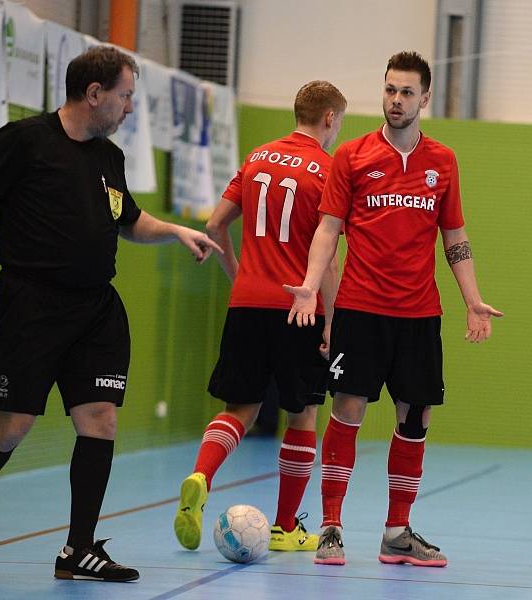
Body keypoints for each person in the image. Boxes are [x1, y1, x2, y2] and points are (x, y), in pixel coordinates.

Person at [0, 46, 221, 583]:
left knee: (100, 420)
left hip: (95, 308)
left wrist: (176, 232)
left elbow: (128, 221)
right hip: (33, 305)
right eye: (126, 96)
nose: (130, 108)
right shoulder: (24, 140)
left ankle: (79, 549)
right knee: (11, 426)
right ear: (95, 94)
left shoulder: (108, 158)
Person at [284, 51, 503, 567]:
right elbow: (328, 229)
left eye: (406, 92)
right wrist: (311, 287)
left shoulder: (443, 162)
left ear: (424, 98)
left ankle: (397, 532)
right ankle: (332, 528)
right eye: (389, 90)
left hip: (420, 314)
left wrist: (473, 300)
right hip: (361, 309)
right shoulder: (353, 157)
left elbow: (455, 236)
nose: (396, 100)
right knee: (348, 410)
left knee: (417, 414)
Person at [173, 81, 347, 553]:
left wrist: (238, 272)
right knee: (303, 413)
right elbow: (327, 257)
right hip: (300, 306)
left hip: (247, 302)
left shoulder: (257, 157)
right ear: (330, 118)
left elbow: (214, 225)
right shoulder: (330, 170)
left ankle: (200, 476)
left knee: (239, 410)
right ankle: (285, 527)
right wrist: (332, 320)